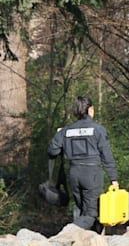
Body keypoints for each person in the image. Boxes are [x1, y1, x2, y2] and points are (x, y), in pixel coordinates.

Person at [47, 96, 119, 232]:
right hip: (92, 175)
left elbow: (52, 151)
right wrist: (113, 178)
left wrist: (60, 135)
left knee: (81, 209)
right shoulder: (98, 129)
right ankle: (68, 233)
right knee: (91, 213)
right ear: (90, 109)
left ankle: (85, 243)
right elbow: (107, 156)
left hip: (74, 174)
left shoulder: (66, 131)